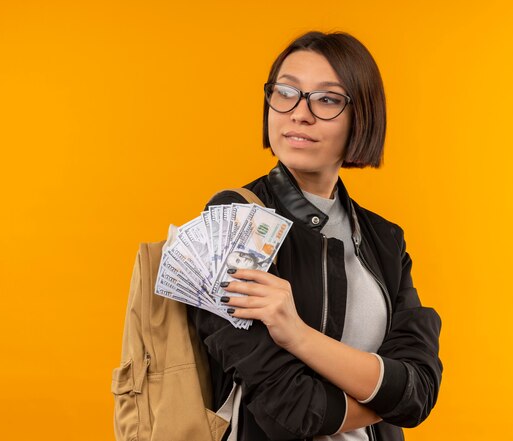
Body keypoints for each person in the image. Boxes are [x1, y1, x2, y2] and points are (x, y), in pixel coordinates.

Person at [188, 31, 442, 441]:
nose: (299, 114)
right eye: (286, 92)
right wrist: (382, 397)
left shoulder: (385, 241)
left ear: (362, 116)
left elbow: (419, 391)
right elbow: (289, 410)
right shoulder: (234, 222)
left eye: (326, 99)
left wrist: (298, 335)